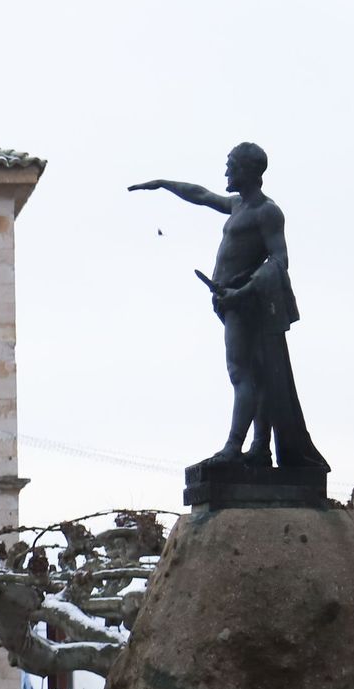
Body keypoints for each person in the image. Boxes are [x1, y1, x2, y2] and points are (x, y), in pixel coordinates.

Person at [130, 143, 327, 472]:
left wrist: (244, 291)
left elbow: (280, 260)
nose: (225, 172)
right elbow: (201, 195)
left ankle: (234, 447)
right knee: (258, 377)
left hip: (245, 302)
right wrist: (164, 184)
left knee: (241, 373)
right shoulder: (238, 205)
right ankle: (260, 449)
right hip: (229, 300)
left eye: (231, 166)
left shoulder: (267, 211)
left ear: (248, 170)